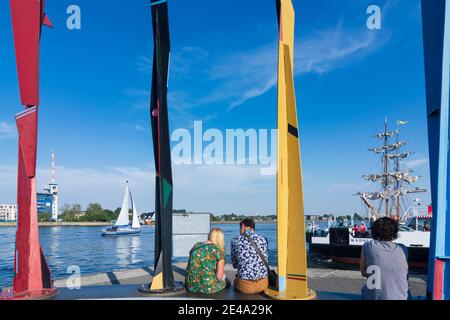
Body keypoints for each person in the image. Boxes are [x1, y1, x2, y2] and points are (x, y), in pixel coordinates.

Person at [360, 217, 410, 300]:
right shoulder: (403, 249)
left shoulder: (368, 246)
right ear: (395, 232)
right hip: (402, 297)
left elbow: (364, 272)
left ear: (374, 231)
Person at [231, 218, 269, 294]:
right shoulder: (263, 239)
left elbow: (235, 265)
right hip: (263, 285)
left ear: (243, 226)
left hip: (245, 287)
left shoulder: (235, 240)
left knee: (234, 281)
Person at [185, 228, 227, 295]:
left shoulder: (196, 245)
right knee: (226, 281)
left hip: (190, 285)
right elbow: (219, 277)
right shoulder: (218, 250)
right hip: (207, 288)